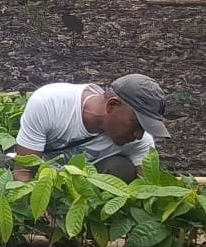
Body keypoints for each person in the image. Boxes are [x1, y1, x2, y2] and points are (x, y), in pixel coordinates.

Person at [10, 75, 169, 182]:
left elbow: (145, 191)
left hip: (87, 187)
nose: (139, 135)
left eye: (145, 128)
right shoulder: (50, 103)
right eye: (137, 124)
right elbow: (23, 174)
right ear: (112, 105)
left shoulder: (141, 143)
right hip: (43, 175)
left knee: (121, 168)